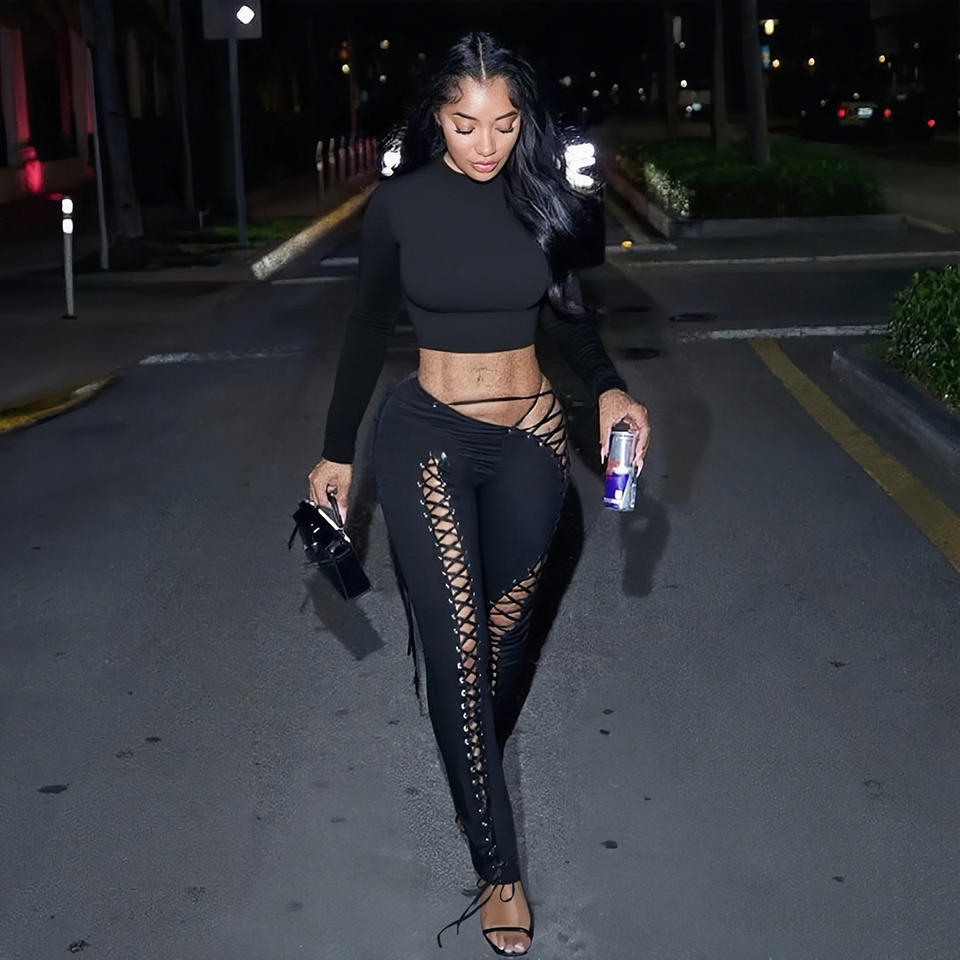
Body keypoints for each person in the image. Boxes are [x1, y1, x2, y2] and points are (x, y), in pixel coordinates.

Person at [307, 30, 650, 957]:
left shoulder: (547, 197)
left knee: (501, 642)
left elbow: (569, 321)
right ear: (438, 118)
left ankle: (471, 774)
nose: (487, 143)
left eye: (504, 124)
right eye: (466, 125)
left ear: (524, 120)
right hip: (427, 436)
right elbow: (367, 322)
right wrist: (335, 453)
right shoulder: (400, 205)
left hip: (532, 439)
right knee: (457, 650)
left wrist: (610, 388)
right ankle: (498, 869)